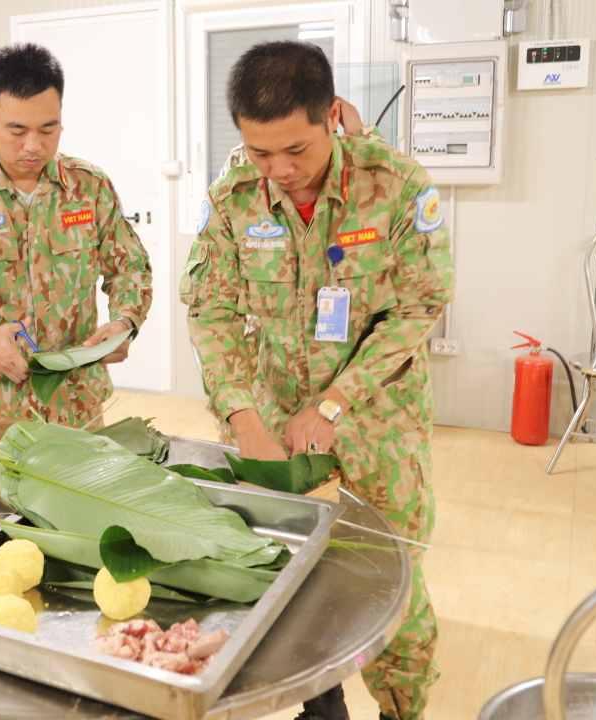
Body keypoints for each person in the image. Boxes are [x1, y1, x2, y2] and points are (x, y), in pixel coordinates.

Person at [180, 41, 454, 720]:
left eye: (296, 150)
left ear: (332, 115)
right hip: (271, 424)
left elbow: (420, 304)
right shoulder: (234, 196)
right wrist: (246, 421)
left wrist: (333, 403)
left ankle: (399, 709)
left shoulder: (395, 184)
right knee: (290, 578)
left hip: (378, 424)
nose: (279, 171)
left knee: (392, 586)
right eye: (259, 152)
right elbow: (210, 311)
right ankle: (320, 702)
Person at [0, 42, 153, 429]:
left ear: (61, 119)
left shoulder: (90, 188)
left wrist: (124, 321)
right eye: (16, 130)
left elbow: (130, 267)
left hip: (76, 402)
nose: (33, 146)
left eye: (47, 129)